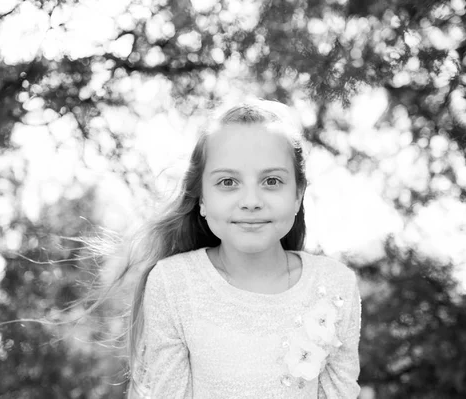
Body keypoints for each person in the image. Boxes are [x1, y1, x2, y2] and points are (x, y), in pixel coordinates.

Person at [124, 99, 361, 398]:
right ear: (202, 199)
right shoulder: (173, 284)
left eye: (271, 180)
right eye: (227, 181)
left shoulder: (335, 286)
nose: (251, 200)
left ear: (298, 194)